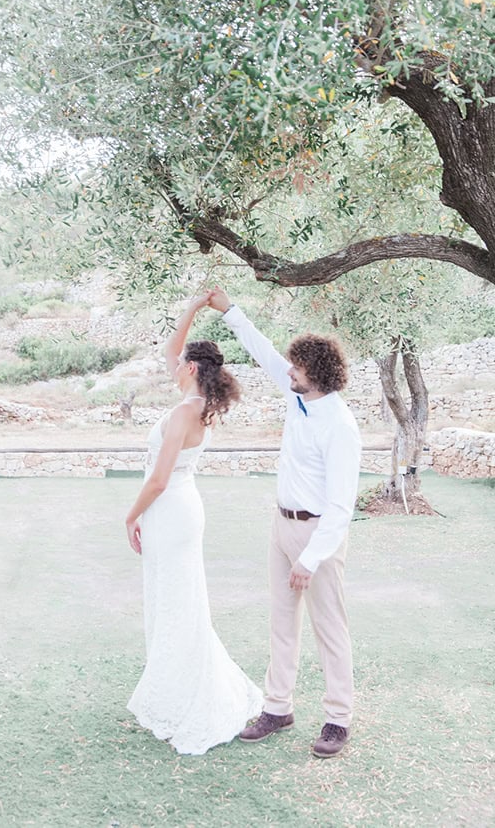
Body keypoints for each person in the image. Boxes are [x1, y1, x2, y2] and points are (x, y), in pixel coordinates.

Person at [207, 286, 362, 758]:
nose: (288, 371)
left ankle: (338, 718)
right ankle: (278, 707)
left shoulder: (340, 425)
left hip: (319, 534)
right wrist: (229, 311)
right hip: (281, 526)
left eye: (296, 367)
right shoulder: (297, 396)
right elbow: (263, 352)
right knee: (281, 621)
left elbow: (341, 506)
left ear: (314, 374)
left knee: (329, 627)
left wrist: (311, 558)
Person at [125, 292, 262, 755]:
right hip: (182, 508)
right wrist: (193, 307)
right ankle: (173, 687)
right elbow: (171, 348)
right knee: (175, 598)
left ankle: (185, 697)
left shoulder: (186, 410)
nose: (173, 361)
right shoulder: (197, 401)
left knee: (177, 601)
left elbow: (159, 479)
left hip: (171, 509)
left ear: (191, 369)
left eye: (181, 361)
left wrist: (130, 514)